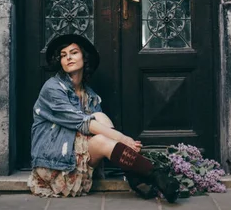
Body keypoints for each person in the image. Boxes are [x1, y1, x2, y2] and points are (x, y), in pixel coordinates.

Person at [28, 33, 180, 202]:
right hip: (55, 160)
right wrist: (123, 139)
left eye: (74, 52)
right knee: (100, 134)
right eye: (63, 55)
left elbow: (100, 127)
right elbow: (83, 124)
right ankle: (154, 175)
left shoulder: (90, 95)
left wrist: (121, 141)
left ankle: (139, 177)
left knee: (100, 117)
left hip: (78, 153)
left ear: (84, 58)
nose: (68, 58)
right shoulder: (52, 89)